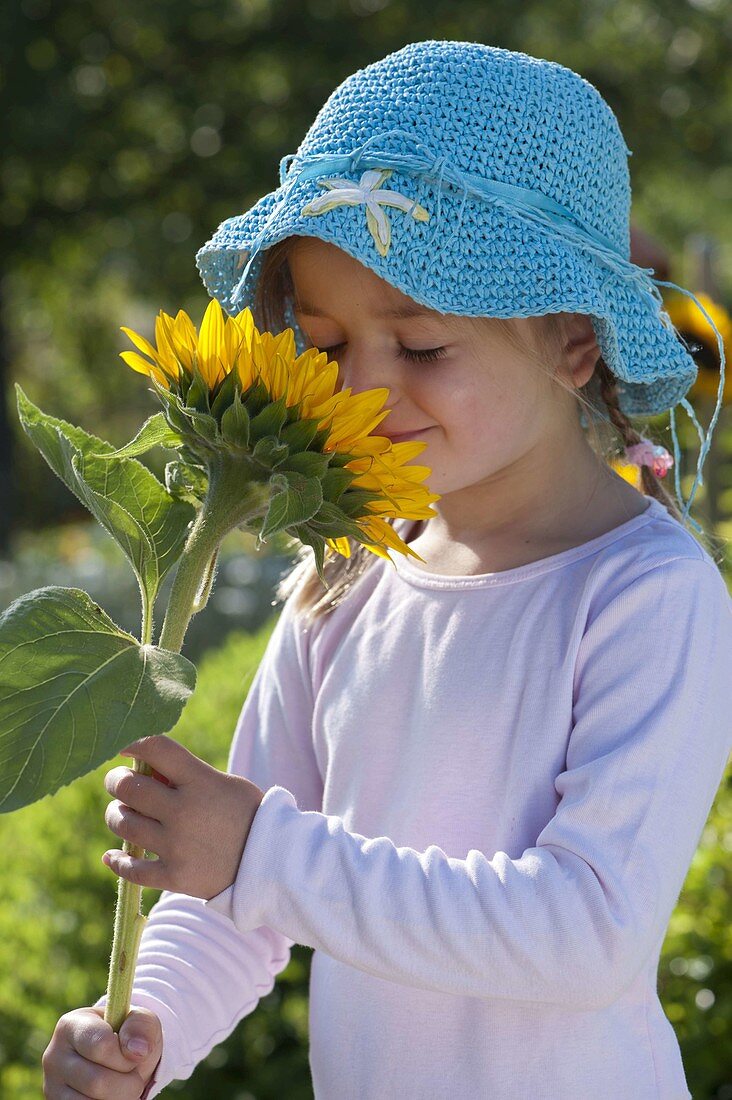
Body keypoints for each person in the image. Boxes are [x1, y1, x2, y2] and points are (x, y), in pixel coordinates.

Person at [42, 40, 732, 1100]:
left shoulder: (646, 594)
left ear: (573, 344)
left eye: (421, 348)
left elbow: (587, 928)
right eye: (322, 345)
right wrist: (147, 1028)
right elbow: (237, 897)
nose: (361, 392)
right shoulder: (347, 575)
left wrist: (262, 852)